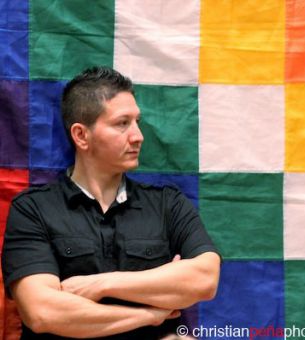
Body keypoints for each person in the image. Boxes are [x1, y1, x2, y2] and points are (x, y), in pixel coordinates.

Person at [1, 66, 221, 339]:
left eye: (137, 121)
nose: (138, 135)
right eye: (122, 123)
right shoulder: (33, 209)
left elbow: (205, 280)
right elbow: (43, 312)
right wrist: (149, 315)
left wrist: (102, 284)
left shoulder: (168, 204)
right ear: (81, 135)